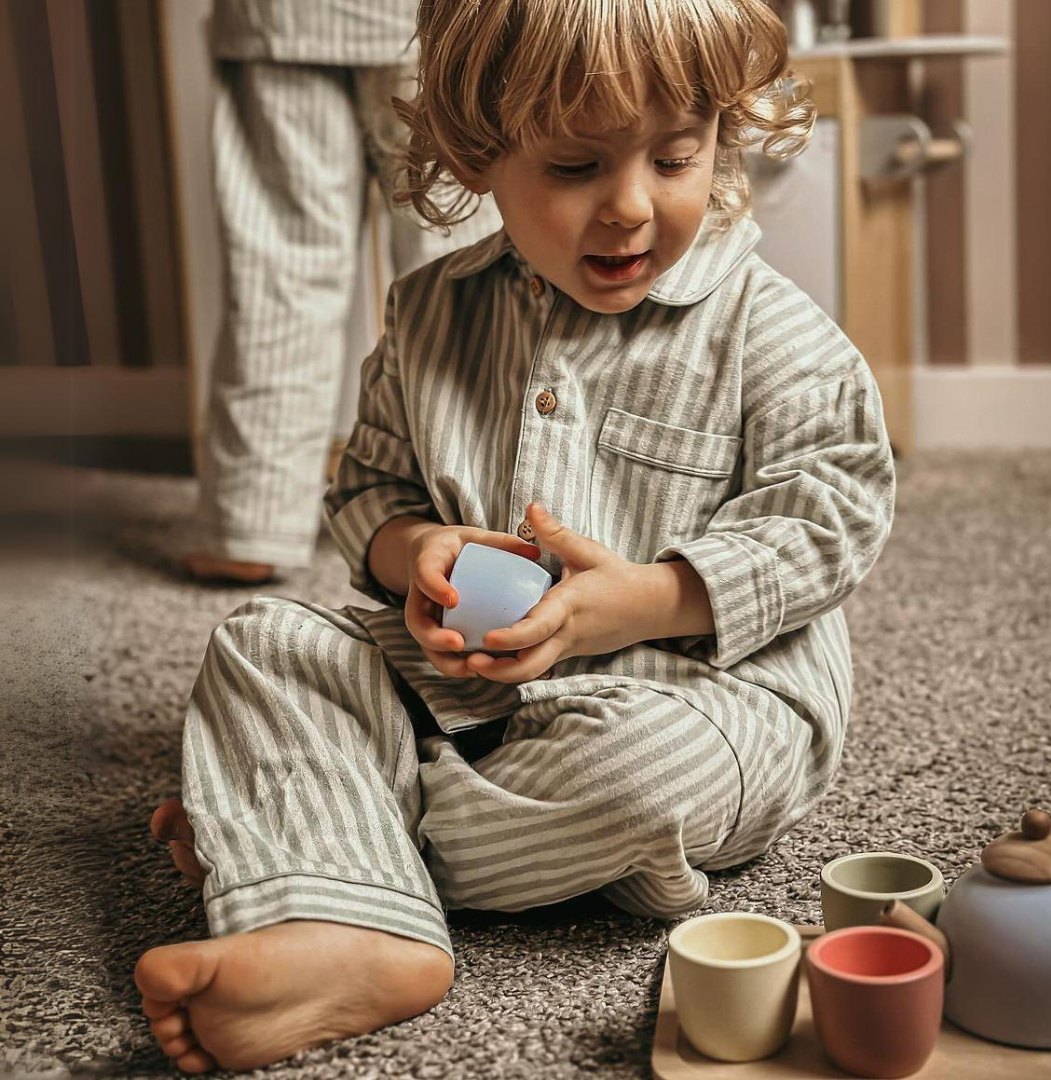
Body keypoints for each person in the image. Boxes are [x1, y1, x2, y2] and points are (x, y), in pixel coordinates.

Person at [135, 0, 896, 1071]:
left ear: (722, 133)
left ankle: (305, 846)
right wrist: (414, 555)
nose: (632, 206)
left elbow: (834, 516)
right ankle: (338, 890)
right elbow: (367, 489)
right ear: (476, 153)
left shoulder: (772, 334)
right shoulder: (430, 313)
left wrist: (642, 600)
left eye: (676, 157)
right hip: (476, 683)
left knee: (641, 782)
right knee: (263, 645)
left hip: (705, 698)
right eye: (577, 166)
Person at [186, 0, 501, 584]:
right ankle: (486, 505)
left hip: (285, 19)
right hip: (442, 20)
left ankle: (249, 518)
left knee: (282, 263)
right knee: (463, 264)